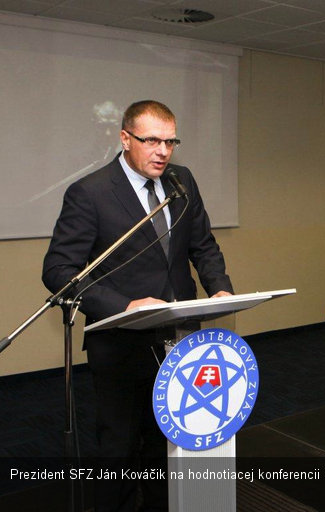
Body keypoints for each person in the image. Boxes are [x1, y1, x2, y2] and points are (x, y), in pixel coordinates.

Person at [42, 100, 234, 511]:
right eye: (152, 141)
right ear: (125, 138)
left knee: (168, 442)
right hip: (121, 343)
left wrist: (219, 289)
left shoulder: (182, 182)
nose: (163, 151)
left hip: (179, 337)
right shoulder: (90, 192)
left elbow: (203, 244)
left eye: (170, 141)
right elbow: (59, 270)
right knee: (121, 446)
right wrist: (124, 303)